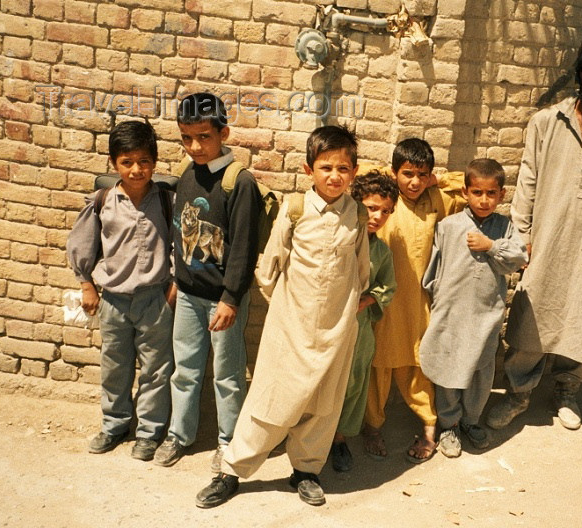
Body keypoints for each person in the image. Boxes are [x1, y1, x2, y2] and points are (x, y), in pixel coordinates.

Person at [194, 125, 370, 508]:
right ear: (310, 170)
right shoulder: (295, 209)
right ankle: (231, 471)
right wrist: (290, 313)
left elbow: (361, 271)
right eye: (326, 167)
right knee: (271, 399)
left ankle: (306, 471)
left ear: (354, 172)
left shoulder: (357, 214)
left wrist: (343, 316)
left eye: (343, 168)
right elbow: (268, 272)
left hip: (337, 330)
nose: (334, 176)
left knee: (323, 404)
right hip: (290, 327)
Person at [486, 28, 582, 431]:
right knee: (532, 312)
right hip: (546, 239)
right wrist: (521, 239)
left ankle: (567, 390)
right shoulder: (546, 122)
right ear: (581, 73)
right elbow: (528, 183)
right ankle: (519, 393)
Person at [154, 92, 262, 468]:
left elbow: (245, 248)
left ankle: (227, 442)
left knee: (227, 375)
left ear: (223, 133)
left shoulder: (239, 183)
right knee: (184, 371)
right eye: (186, 137)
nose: (195, 146)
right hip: (187, 294)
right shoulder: (187, 173)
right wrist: (176, 280)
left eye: (204, 137)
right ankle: (178, 435)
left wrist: (231, 298)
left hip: (222, 300)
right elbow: (178, 232)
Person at [67, 120, 175, 461]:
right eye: (127, 162)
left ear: (154, 162)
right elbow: (81, 244)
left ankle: (149, 432)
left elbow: (180, 246)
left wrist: (171, 287)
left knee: (156, 369)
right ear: (114, 163)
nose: (136, 169)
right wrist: (87, 284)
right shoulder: (103, 201)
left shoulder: (167, 201)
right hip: (113, 299)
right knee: (115, 365)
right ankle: (114, 425)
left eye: (143, 161)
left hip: (155, 299)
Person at [363, 138, 466, 463]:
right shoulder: (385, 198)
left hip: (419, 305)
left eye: (422, 175)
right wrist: (390, 176)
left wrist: (439, 180)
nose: (414, 182)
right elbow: (362, 174)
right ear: (395, 173)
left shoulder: (435, 198)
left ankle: (429, 428)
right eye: (407, 174)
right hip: (380, 302)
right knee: (376, 368)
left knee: (418, 366)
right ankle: (372, 426)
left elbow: (469, 182)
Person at [420, 159, 527, 458]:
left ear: (501, 195)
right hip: (452, 313)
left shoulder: (505, 228)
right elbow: (433, 272)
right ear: (465, 192)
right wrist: (439, 303)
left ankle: (471, 420)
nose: (483, 200)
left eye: (490, 193)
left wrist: (490, 246)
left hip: (486, 314)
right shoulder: (449, 226)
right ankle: (450, 425)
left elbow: (517, 257)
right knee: (449, 367)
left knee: (480, 369)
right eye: (477, 192)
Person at [330, 171, 399, 472]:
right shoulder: (338, 235)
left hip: (359, 328)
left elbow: (388, 286)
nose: (377, 216)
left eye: (385, 211)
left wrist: (366, 301)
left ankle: (339, 438)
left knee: (354, 381)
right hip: (329, 325)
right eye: (371, 208)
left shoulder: (381, 251)